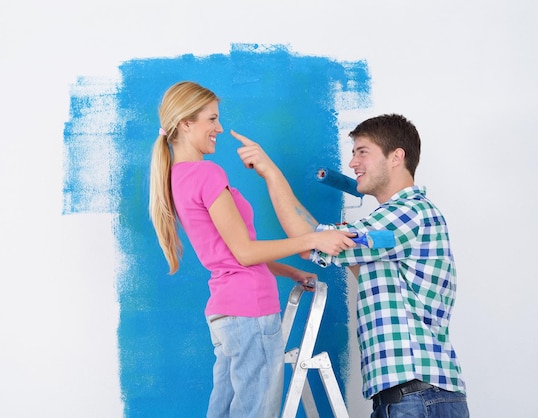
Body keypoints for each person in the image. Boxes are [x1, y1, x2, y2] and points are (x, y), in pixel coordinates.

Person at [233, 114, 469, 418]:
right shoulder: (389, 230)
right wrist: (330, 238)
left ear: (397, 157)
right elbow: (321, 244)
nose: (352, 163)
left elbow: (312, 242)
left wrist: (271, 174)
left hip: (417, 396)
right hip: (406, 398)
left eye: (363, 151)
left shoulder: (409, 213)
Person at [148, 81, 355, 418]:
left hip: (226, 315)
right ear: (186, 124)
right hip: (250, 311)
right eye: (212, 119)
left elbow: (231, 251)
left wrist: (289, 271)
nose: (220, 128)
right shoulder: (206, 174)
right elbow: (243, 253)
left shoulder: (176, 178)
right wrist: (314, 240)